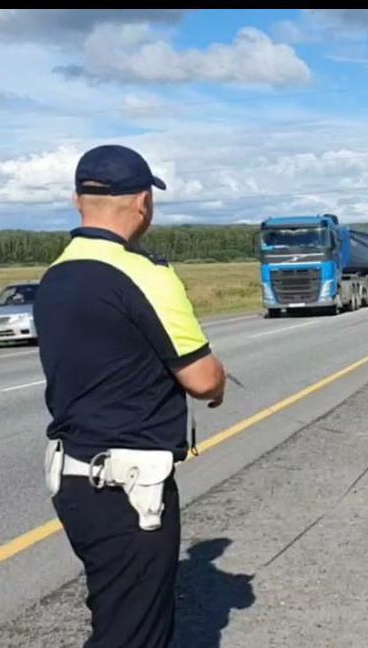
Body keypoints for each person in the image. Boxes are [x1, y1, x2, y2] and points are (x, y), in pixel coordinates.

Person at [34, 144, 227, 648]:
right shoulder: (146, 274)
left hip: (75, 478)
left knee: (114, 614)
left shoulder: (56, 275)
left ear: (79, 199)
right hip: (131, 485)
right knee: (135, 633)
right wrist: (220, 383)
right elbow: (203, 378)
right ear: (144, 202)